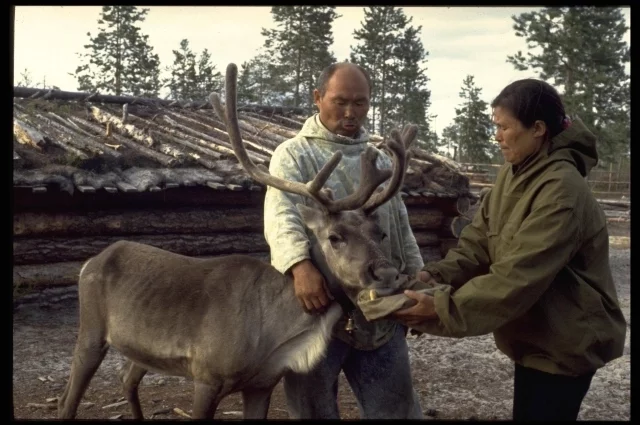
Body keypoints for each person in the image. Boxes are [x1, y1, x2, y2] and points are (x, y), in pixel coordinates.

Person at [392, 78, 627, 421]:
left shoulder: (562, 189)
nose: (497, 136)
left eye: (503, 127)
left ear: (538, 129)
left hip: (566, 341)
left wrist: (441, 308)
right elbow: (477, 243)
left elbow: (518, 276)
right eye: (495, 127)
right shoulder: (513, 174)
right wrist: (434, 275)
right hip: (536, 335)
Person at [263, 62, 425, 419]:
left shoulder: (380, 158)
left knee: (395, 411)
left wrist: (416, 277)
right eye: (340, 102)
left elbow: (399, 225)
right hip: (315, 310)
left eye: (360, 103)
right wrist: (298, 265)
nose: (351, 113)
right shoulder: (294, 154)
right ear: (318, 98)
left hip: (381, 308)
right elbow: (282, 215)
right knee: (312, 412)